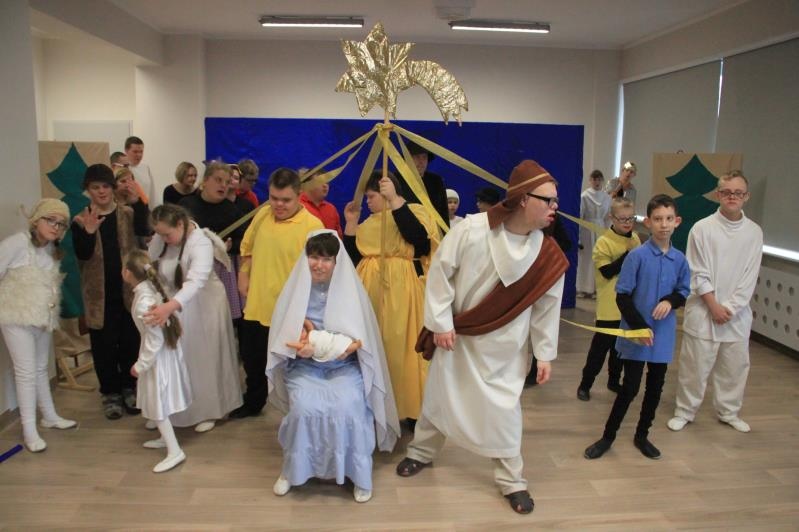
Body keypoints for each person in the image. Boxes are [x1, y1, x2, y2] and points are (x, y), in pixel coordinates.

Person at [396, 160, 568, 515]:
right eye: (548, 200)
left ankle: (512, 480)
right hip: (457, 338)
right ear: (523, 198)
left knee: (505, 414)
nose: (555, 207)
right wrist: (441, 323)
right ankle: (421, 452)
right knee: (439, 399)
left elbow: (547, 309)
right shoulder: (473, 229)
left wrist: (544, 354)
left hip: (506, 350)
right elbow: (441, 273)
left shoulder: (547, 255)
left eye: (555, 200)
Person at [267, 231, 400, 502]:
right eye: (314, 257)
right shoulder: (294, 293)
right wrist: (302, 346)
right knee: (304, 408)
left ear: (337, 263)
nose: (319, 265)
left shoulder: (351, 294)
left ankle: (359, 474)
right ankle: (292, 469)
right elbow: (286, 338)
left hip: (344, 367)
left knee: (349, 406)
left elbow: (359, 342)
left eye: (327, 259)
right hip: (304, 367)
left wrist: (332, 345)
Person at [584, 194, 690, 461]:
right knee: (629, 388)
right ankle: (608, 436)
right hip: (635, 335)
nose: (663, 224)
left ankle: (642, 435)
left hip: (662, 337)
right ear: (648, 223)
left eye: (668, 219)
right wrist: (639, 327)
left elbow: (683, 291)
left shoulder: (680, 260)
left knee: (655, 388)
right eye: (658, 219)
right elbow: (622, 296)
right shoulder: (637, 256)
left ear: (677, 221)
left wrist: (670, 301)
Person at [668, 171, 762, 434]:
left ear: (746, 196)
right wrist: (713, 305)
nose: (732, 197)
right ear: (718, 194)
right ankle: (685, 410)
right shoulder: (702, 228)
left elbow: (750, 276)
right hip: (704, 311)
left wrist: (730, 308)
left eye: (738, 193)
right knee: (694, 367)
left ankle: (729, 411)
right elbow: (697, 271)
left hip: (736, 315)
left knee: (734, 368)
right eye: (727, 192)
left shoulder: (754, 232)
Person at [343, 170, 437, 424]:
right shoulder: (368, 223)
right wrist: (351, 223)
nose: (368, 202)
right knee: (375, 344)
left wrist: (395, 201)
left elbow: (420, 242)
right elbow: (353, 256)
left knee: (402, 346)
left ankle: (410, 408)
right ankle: (376, 408)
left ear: (386, 192)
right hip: (370, 287)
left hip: (400, 287)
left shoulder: (414, 212)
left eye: (371, 196)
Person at [231, 168, 324, 419]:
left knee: (292, 365)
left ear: (299, 195)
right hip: (257, 304)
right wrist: (244, 273)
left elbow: (320, 271)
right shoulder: (263, 214)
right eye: (274, 198)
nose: (279, 205)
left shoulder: (313, 226)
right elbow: (248, 248)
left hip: (291, 311)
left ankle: (298, 411)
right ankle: (254, 402)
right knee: (252, 359)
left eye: (286, 200)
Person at [146, 204, 242, 432]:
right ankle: (171, 409)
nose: (163, 239)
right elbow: (151, 263)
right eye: (159, 234)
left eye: (167, 234)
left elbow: (196, 281)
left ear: (180, 224)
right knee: (177, 359)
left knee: (204, 358)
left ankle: (210, 409)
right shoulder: (163, 237)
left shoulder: (201, 243)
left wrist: (170, 306)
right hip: (176, 305)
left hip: (204, 306)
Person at [71, 164, 151, 420]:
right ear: (88, 190)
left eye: (106, 186)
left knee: (130, 341)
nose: (102, 191)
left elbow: (145, 232)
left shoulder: (126, 212)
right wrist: (88, 232)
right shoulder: (80, 219)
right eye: (96, 187)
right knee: (104, 346)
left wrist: (138, 202)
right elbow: (82, 255)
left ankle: (130, 387)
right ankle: (110, 393)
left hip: (128, 290)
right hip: (98, 294)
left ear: (113, 188)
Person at [0, 199, 78, 452]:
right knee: (25, 372)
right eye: (50, 220)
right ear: (36, 220)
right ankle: (29, 430)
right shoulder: (16, 243)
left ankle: (50, 416)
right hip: (16, 317)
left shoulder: (51, 249)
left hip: (43, 318)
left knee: (41, 368)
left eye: (61, 224)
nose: (56, 227)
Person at [123, 249, 192, 473]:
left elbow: (154, 340)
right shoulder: (150, 290)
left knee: (157, 404)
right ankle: (166, 438)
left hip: (157, 360)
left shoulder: (144, 301)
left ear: (127, 273)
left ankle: (174, 451)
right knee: (159, 402)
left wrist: (141, 365)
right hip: (162, 356)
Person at [577, 198, 640, 401]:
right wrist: (628, 256)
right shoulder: (603, 242)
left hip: (628, 306)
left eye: (630, 218)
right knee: (599, 350)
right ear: (612, 218)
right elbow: (607, 272)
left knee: (619, 350)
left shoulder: (635, 238)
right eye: (622, 219)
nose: (627, 223)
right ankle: (585, 384)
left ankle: (614, 381)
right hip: (609, 306)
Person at [180, 162, 248, 322]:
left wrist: (230, 247)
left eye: (227, 182)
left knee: (218, 316)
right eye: (218, 180)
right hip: (191, 267)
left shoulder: (232, 210)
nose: (223, 185)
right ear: (205, 181)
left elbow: (244, 241)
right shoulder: (186, 205)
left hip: (221, 270)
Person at [576, 170, 611, 297]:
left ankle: (597, 288)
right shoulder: (584, 196)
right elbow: (580, 216)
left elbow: (607, 218)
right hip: (587, 230)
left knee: (599, 259)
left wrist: (608, 234)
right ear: (590, 180)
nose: (597, 182)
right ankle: (583, 288)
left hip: (600, 229)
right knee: (586, 259)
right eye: (594, 179)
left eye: (599, 179)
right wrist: (578, 236)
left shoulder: (607, 198)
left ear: (602, 181)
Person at [403, 141, 449, 228]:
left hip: (433, 231)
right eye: (417, 157)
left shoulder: (436, 181)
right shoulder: (397, 180)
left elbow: (443, 212)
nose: (421, 161)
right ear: (408, 159)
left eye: (424, 157)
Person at [298, 168, 342, 236]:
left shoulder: (331, 209)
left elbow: (338, 237)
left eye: (327, 182)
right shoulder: (297, 205)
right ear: (307, 185)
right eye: (320, 182)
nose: (325, 185)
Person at [125, 136, 158, 208]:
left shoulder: (145, 167)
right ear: (126, 151)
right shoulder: (122, 168)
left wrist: (153, 209)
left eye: (141, 152)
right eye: (135, 152)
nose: (139, 155)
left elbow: (152, 192)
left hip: (145, 208)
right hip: (128, 208)